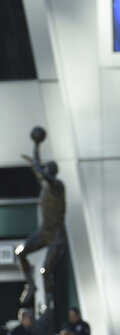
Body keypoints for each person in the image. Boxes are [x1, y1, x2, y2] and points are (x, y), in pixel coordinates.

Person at [15, 127, 66, 308]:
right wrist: (35, 146)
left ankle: (49, 305)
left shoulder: (57, 186)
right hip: (44, 233)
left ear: (51, 172)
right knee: (20, 252)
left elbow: (41, 171)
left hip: (56, 237)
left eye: (46, 170)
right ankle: (30, 284)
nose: (44, 172)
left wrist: (37, 163)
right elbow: (37, 167)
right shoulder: (45, 187)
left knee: (46, 270)